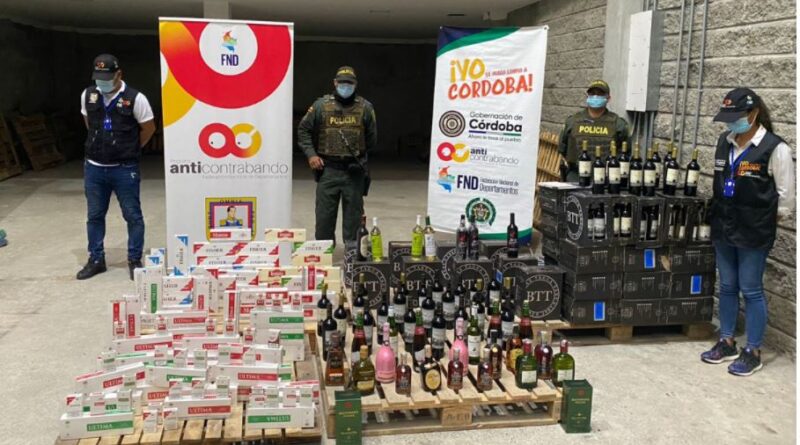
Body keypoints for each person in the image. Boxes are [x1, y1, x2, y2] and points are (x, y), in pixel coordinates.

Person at [700, 88, 795, 376]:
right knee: (727, 285)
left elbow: (786, 198)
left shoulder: (775, 148)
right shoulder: (724, 142)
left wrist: (760, 220)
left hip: (754, 231)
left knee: (751, 288)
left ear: (753, 113)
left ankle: (753, 350)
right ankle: (726, 341)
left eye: (736, 116)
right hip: (724, 225)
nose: (731, 123)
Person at [77, 54, 156, 281]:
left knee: (133, 215)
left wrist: (130, 148)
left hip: (124, 168)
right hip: (94, 167)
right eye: (98, 78)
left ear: (118, 74)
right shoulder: (88, 95)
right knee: (94, 216)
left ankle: (134, 259)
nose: (101, 82)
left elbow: (148, 128)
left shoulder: (135, 98)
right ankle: (96, 260)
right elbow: (89, 123)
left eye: (106, 78)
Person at [297, 66, 377, 244]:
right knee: (324, 218)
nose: (345, 87)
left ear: (355, 84)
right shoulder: (320, 106)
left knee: (354, 219)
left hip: (354, 172)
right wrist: (311, 155)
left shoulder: (365, 107)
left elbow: (371, 139)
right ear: (335, 83)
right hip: (328, 170)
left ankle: (352, 254)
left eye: (349, 83)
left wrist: (359, 157)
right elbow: (303, 130)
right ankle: (324, 252)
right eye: (342, 83)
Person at [558, 80, 630, 182]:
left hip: (606, 179)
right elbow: (562, 149)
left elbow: (626, 152)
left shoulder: (619, 124)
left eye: (600, 94)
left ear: (608, 98)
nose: (595, 96)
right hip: (576, 178)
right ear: (587, 96)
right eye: (592, 93)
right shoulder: (572, 121)